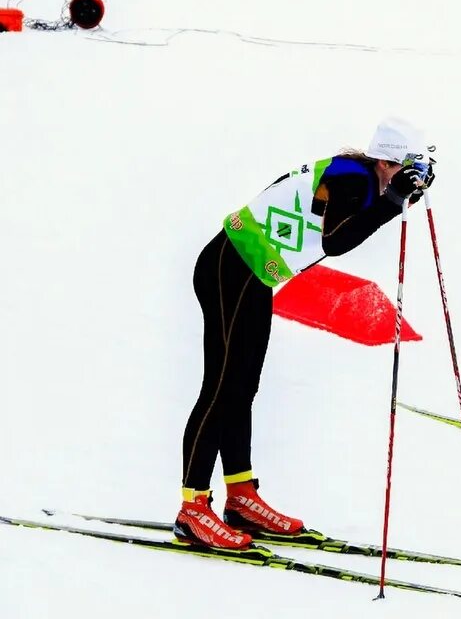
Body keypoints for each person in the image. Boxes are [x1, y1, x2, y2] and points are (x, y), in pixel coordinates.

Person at [175, 118, 435, 549]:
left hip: (251, 274)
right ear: (388, 161)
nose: (415, 173)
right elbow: (335, 241)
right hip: (231, 267)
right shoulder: (351, 177)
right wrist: (392, 201)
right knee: (221, 390)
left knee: (242, 389)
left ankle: (240, 496)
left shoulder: (359, 176)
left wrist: (395, 197)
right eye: (411, 166)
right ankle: (192, 508)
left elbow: (337, 223)